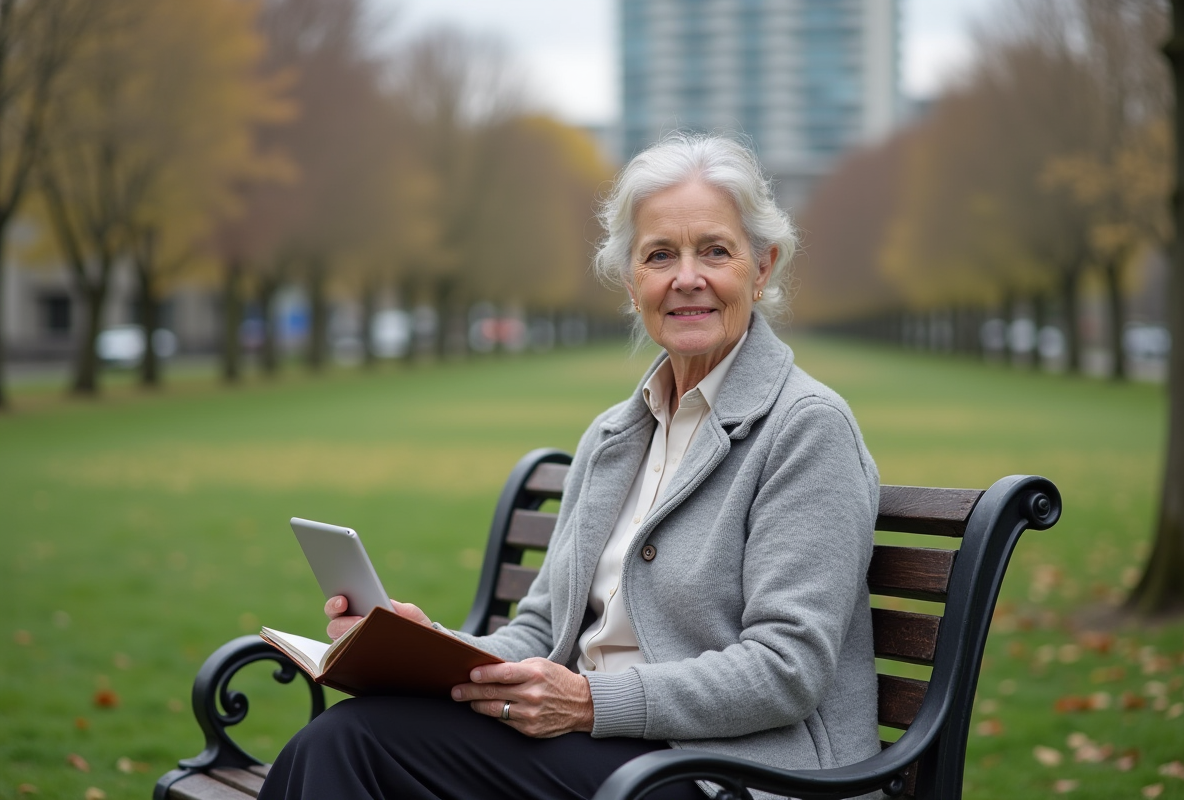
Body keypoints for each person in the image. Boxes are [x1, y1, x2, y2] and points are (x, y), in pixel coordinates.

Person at [259, 133, 881, 800]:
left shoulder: (807, 427)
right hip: (599, 750)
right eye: (659, 255)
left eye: (715, 251)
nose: (686, 278)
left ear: (761, 268)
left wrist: (588, 702)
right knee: (344, 735)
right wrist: (423, 648)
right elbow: (540, 631)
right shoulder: (613, 436)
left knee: (351, 743)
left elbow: (786, 669)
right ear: (631, 282)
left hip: (728, 776)